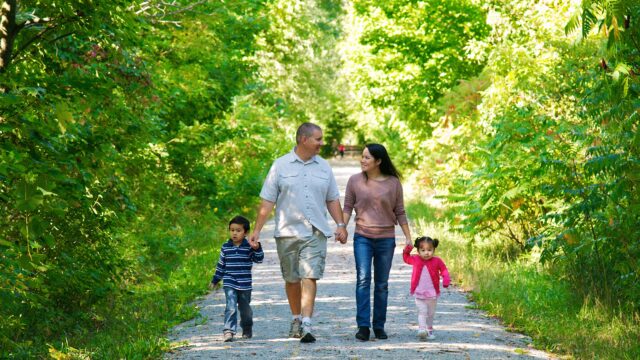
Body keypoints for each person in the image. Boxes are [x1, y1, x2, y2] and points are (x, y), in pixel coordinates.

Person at [249, 122, 348, 343]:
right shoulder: (280, 166)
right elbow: (267, 201)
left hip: (315, 231)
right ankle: (295, 318)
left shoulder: (324, 167)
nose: (322, 143)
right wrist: (256, 230)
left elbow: (332, 199)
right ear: (304, 139)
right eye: (318, 139)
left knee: (309, 275)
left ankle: (307, 323)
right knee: (292, 278)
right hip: (287, 231)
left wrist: (341, 225)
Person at [342, 143, 412, 341]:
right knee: (363, 280)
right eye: (362, 157)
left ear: (378, 161)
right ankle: (363, 326)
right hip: (362, 237)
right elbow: (347, 207)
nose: (362, 160)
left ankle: (379, 326)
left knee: (381, 284)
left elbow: (400, 211)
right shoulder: (354, 181)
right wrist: (342, 227)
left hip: (386, 239)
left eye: (367, 158)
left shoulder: (393, 183)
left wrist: (408, 236)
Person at [210, 215, 264, 342]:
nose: (234, 233)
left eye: (238, 230)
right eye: (232, 230)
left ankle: (247, 328)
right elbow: (221, 265)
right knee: (231, 306)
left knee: (245, 310)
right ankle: (229, 331)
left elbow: (259, 259)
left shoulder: (249, 246)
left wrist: (257, 248)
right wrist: (215, 280)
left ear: (245, 232)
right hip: (229, 281)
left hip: (245, 284)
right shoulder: (225, 247)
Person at [402, 236, 450, 340]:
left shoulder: (437, 261)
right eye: (423, 250)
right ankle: (422, 329)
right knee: (422, 311)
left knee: (430, 313)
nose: (426, 253)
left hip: (432, 293)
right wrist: (408, 249)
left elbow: (444, 270)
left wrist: (446, 278)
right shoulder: (415, 259)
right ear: (418, 250)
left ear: (434, 250)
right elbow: (406, 258)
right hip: (419, 292)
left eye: (429, 250)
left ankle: (429, 329)